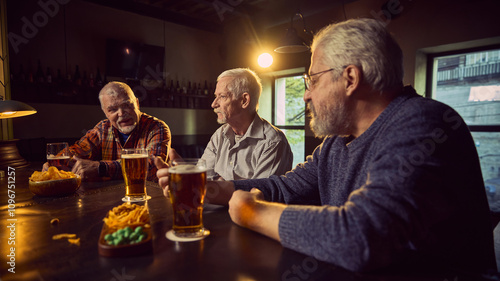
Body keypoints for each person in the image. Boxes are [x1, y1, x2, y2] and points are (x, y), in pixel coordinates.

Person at [157, 18, 495, 273]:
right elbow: (285, 187)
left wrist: (252, 212)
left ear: (350, 78)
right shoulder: (337, 142)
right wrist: (215, 189)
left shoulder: (424, 124)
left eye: (312, 80)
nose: (305, 94)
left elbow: (362, 236)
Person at [44, 81, 171, 182]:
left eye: (127, 105)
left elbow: (152, 166)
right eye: (112, 109)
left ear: (137, 104)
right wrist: (57, 161)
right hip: (109, 201)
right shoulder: (102, 128)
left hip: (149, 198)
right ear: (105, 113)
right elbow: (78, 150)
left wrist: (101, 168)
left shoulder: (157, 127)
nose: (121, 113)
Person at [198, 68, 293, 180]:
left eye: (222, 96)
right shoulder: (219, 135)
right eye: (216, 96)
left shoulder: (273, 142)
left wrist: (222, 183)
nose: (213, 104)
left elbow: (258, 193)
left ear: (244, 100)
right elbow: (202, 179)